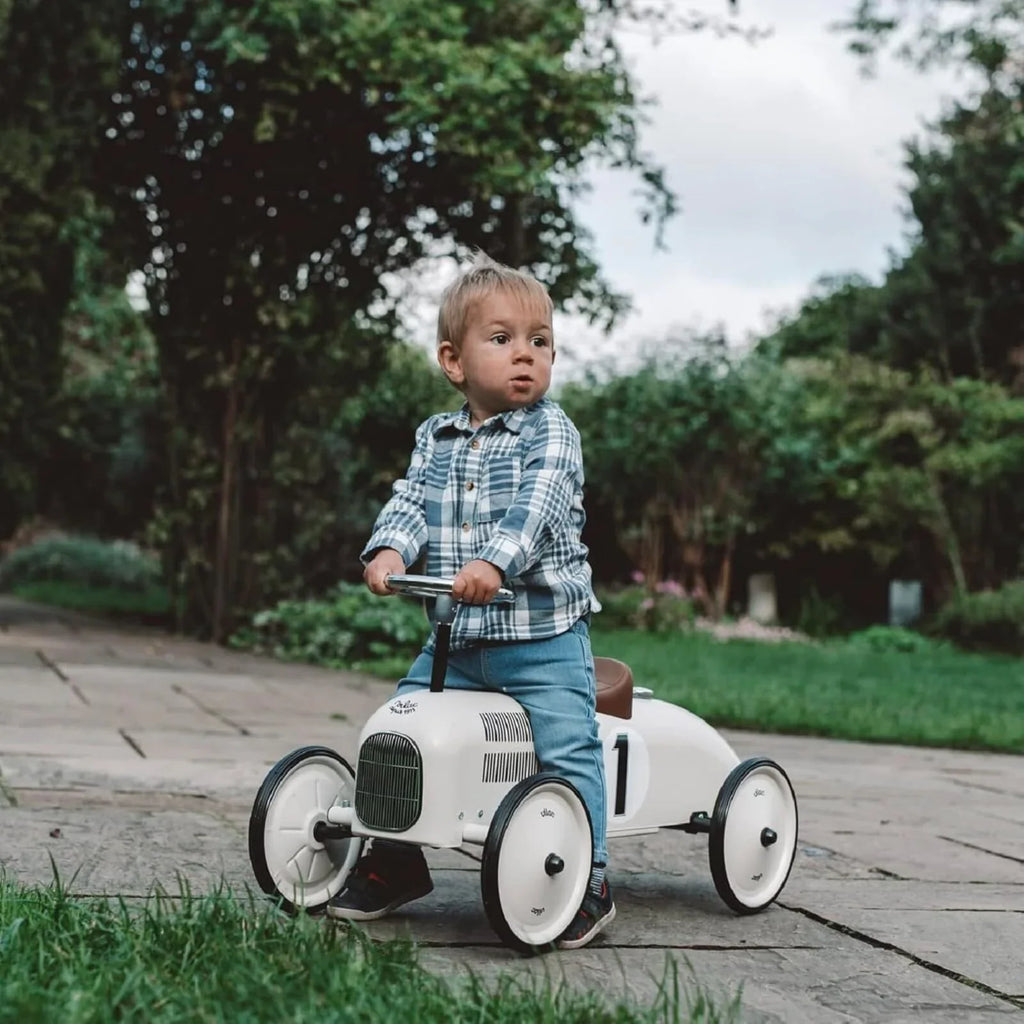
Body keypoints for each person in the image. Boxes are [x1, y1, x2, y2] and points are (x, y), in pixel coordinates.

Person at [325, 250, 613, 949]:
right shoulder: (438, 436)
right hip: (458, 639)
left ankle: (590, 879)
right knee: (401, 726)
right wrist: (389, 548)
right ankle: (397, 857)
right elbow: (413, 499)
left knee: (566, 747)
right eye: (503, 339)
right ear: (453, 361)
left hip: (541, 636)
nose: (526, 356)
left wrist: (493, 562)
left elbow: (538, 509)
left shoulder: (551, 430)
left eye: (540, 342)